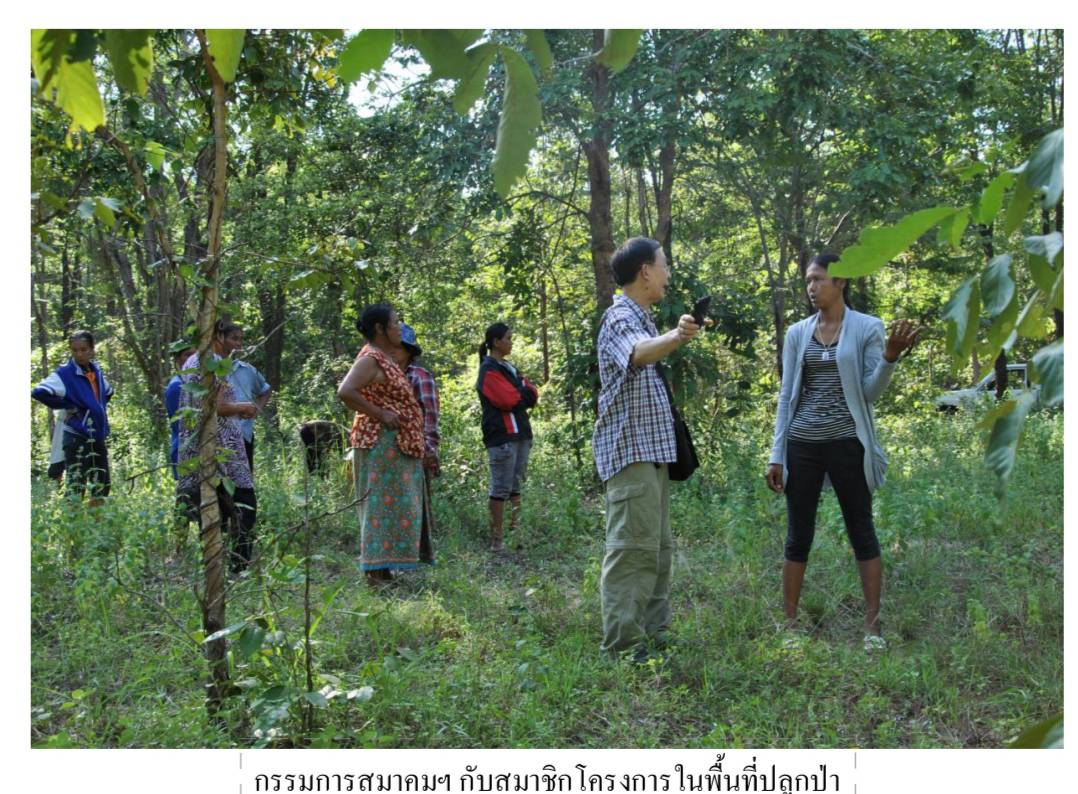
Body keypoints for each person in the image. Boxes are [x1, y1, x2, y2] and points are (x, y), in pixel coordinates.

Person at [766, 252, 918, 651]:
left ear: (842, 281)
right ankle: (790, 626)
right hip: (803, 444)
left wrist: (889, 358)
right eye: (807, 281)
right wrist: (776, 453)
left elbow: (870, 394)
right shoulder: (798, 333)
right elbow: (787, 396)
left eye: (818, 279)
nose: (812, 287)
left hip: (849, 444)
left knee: (861, 531)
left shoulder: (868, 327)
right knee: (799, 535)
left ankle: (873, 628)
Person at [592, 237, 700, 661]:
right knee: (631, 551)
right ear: (645, 272)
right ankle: (622, 647)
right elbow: (636, 355)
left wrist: (669, 336)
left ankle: (653, 638)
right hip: (631, 456)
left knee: (656, 550)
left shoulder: (640, 320)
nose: (668, 274)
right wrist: (676, 335)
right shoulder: (620, 318)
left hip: (651, 457)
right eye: (664, 265)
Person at [337, 303, 428, 585]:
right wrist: (381, 414)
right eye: (395, 322)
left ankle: (384, 570)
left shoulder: (384, 358)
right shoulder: (371, 358)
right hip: (380, 444)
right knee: (379, 506)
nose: (399, 327)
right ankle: (375, 573)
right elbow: (346, 391)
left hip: (395, 446)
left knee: (394, 507)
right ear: (379, 328)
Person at [176, 323, 259, 572]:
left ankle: (216, 565)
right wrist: (243, 407)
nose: (237, 344)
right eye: (233, 338)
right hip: (222, 449)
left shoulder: (194, 361)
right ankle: (238, 566)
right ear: (218, 337)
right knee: (245, 504)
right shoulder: (212, 364)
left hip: (202, 448)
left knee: (215, 509)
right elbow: (216, 407)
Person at [32, 330, 115, 503]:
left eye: (83, 349)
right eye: (75, 350)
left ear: (92, 350)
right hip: (76, 436)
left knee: (102, 484)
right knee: (76, 486)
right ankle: (73, 528)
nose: (79, 354)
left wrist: (95, 409)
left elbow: (108, 391)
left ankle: (96, 524)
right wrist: (68, 405)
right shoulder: (65, 374)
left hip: (96, 435)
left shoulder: (95, 372)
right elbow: (39, 392)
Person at [476, 322, 539, 553]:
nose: (511, 342)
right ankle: (497, 541)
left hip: (521, 433)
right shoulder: (488, 369)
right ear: (495, 342)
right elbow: (507, 399)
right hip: (502, 436)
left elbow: (532, 393)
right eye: (508, 338)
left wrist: (521, 392)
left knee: (516, 486)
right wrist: (521, 392)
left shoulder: (509, 368)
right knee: (500, 487)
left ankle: (515, 535)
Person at [394, 322, 440, 565]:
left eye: (398, 348)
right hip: (391, 452)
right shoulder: (383, 376)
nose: (393, 352)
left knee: (416, 507)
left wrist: (428, 450)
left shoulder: (419, 377)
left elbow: (430, 417)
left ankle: (417, 560)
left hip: (415, 450)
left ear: (409, 350)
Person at [218, 322, 272, 474]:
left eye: (241, 339)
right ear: (221, 339)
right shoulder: (213, 368)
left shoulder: (246, 370)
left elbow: (265, 390)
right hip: (219, 437)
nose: (238, 343)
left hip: (243, 435)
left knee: (244, 484)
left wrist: (256, 410)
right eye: (234, 338)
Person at [165, 342, 196, 480]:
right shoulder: (176, 386)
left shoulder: (196, 383)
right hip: (185, 449)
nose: (192, 359)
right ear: (178, 359)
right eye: (187, 355)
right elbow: (181, 425)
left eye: (195, 355)